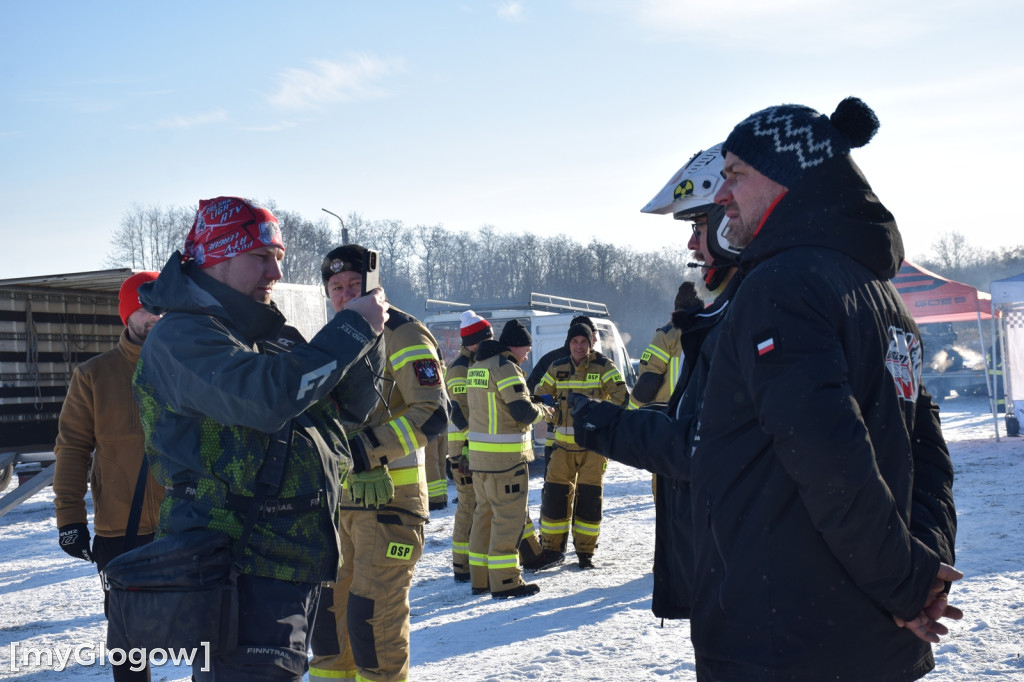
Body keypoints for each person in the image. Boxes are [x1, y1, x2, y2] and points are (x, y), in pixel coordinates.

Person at [661, 99, 961, 680]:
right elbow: (926, 453)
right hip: (870, 641)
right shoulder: (883, 296)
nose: (722, 195)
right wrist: (922, 569)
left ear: (789, 178)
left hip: (784, 641)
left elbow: (829, 458)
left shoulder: (782, 286)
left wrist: (909, 585)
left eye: (735, 175)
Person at [133, 197, 388, 681]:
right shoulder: (182, 337)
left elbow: (345, 409)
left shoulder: (265, 332)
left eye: (279, 257)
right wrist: (352, 329)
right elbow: (267, 398)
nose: (276, 272)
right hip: (236, 567)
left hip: (288, 563)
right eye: (261, 257)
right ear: (217, 258)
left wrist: (367, 337)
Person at [570, 143, 744, 623]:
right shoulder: (727, 318)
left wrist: (607, 423)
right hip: (735, 567)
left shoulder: (746, 318)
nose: (691, 245)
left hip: (748, 580)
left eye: (698, 226)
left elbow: (702, 445)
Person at [310, 244, 449, 682]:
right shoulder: (334, 337)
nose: (346, 294)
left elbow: (434, 411)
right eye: (336, 287)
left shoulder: (403, 333)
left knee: (372, 624)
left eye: (355, 284)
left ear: (374, 286)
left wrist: (364, 451)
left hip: (390, 504)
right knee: (328, 628)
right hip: (337, 504)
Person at [53, 270, 165, 682]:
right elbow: (71, 449)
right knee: (129, 638)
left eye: (165, 307)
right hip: (121, 532)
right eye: (147, 307)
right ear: (127, 314)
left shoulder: (192, 367)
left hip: (188, 523)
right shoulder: (94, 375)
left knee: (205, 628)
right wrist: (69, 518)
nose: (157, 315)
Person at [466, 319, 554, 598]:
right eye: (527, 349)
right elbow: (522, 413)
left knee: (483, 518)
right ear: (516, 346)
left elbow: (496, 406)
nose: (527, 355)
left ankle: (480, 579)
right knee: (508, 521)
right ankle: (506, 581)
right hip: (505, 461)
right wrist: (545, 411)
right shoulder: (505, 367)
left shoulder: (477, 367)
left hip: (480, 460)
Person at [533, 318, 628, 570]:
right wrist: (551, 412)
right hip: (562, 449)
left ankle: (585, 553)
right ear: (569, 343)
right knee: (554, 498)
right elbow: (539, 395)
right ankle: (552, 549)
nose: (578, 346)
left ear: (590, 343)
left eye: (583, 341)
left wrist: (598, 414)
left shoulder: (604, 367)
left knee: (589, 500)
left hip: (593, 449)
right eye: (574, 341)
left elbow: (622, 398)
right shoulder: (557, 367)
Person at [628, 281, 702, 408]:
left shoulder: (668, 335)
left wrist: (631, 411)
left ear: (676, 309)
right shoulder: (715, 331)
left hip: (668, 413)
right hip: (702, 412)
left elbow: (648, 381)